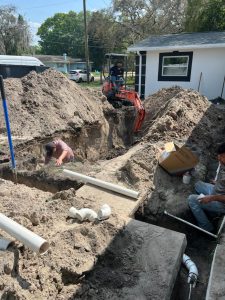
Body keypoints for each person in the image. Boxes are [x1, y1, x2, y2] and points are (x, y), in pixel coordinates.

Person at [188, 142, 225, 232]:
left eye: (222, 156)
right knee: (198, 185)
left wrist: (211, 198)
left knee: (191, 199)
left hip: (221, 204)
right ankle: (209, 210)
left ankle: (206, 227)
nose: (219, 158)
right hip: (217, 191)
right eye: (219, 155)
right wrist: (218, 183)